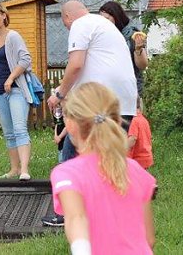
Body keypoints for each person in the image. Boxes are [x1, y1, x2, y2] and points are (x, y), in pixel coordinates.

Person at [43, 0, 139, 227]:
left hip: (99, 101)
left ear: (67, 17)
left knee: (71, 156)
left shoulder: (80, 24)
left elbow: (76, 65)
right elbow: (93, 67)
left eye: (65, 23)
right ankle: (110, 211)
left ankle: (67, 213)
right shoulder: (103, 25)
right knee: (108, 158)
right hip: (122, 102)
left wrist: (59, 93)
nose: (67, 27)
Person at [50, 83, 156, 254]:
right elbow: (149, 239)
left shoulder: (67, 173)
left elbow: (76, 218)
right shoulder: (136, 170)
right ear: (116, 121)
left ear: (69, 125)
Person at [0, 3, 34, 181]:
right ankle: (14, 169)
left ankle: (24, 170)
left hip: (16, 90)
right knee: (9, 133)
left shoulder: (13, 36)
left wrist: (11, 78)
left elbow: (26, 59)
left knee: (20, 129)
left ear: (4, 16)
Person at [99, 1, 148, 96]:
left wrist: (138, 49)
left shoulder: (132, 34)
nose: (103, 22)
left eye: (107, 18)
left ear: (116, 17)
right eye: (101, 19)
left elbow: (142, 65)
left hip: (130, 90)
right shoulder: (103, 36)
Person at [127, 100, 153, 171]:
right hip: (146, 156)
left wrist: (121, 149)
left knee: (135, 181)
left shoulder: (135, 121)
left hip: (138, 159)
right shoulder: (144, 120)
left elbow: (132, 139)